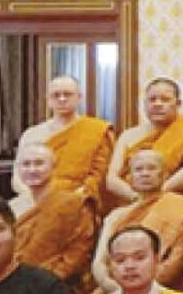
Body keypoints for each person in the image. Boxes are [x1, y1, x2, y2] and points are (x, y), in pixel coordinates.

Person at [91, 148, 183, 293]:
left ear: (164, 175)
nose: (145, 173)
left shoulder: (182, 208)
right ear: (129, 178)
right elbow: (99, 263)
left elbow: (175, 262)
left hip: (161, 290)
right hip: (114, 289)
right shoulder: (115, 216)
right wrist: (110, 286)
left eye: (152, 168)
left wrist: (139, 287)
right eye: (139, 169)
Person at [107, 76, 183, 202]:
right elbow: (111, 179)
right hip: (131, 204)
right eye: (152, 99)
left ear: (178, 104)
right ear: (144, 104)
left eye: (165, 99)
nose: (157, 104)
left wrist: (153, 197)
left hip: (174, 204)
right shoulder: (128, 135)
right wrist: (135, 198)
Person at [10, 142, 98, 290]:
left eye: (39, 163)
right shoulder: (11, 206)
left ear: (53, 166)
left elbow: (78, 251)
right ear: (18, 169)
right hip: (15, 283)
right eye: (26, 164)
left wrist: (45, 280)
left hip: (57, 285)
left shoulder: (73, 203)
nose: (32, 169)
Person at [18, 73, 113, 201]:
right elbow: (17, 177)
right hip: (35, 202)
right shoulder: (32, 134)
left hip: (79, 203)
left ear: (79, 97)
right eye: (56, 95)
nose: (62, 99)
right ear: (48, 100)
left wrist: (70, 200)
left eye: (67, 94)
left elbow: (99, 176)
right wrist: (37, 197)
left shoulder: (96, 130)